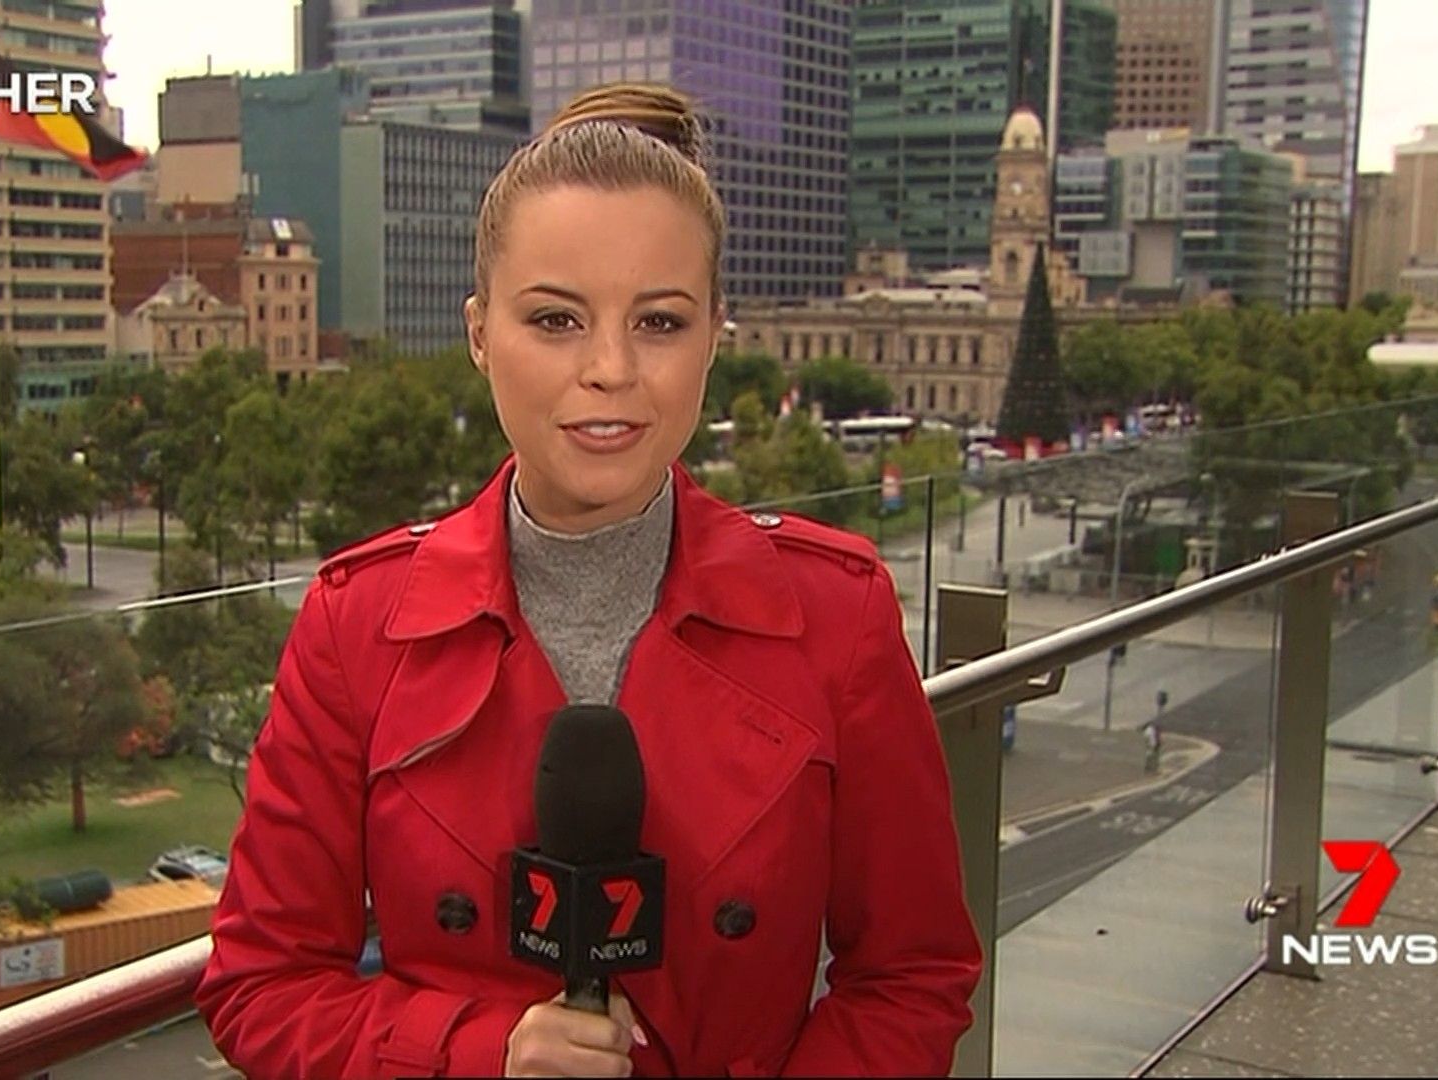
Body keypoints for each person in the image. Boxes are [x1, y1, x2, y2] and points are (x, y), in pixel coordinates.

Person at [196, 83, 981, 1078]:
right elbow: (263, 985)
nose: (610, 368)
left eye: (659, 323)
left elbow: (913, 976)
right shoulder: (359, 626)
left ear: (714, 335)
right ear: (479, 334)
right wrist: (480, 1055)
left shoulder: (837, 615)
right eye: (557, 319)